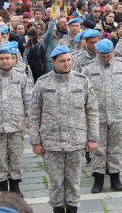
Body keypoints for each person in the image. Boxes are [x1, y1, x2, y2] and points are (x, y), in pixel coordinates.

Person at [29, 45, 99, 213]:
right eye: (62, 61)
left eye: (69, 60)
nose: (67, 64)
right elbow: (34, 114)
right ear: (53, 62)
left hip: (76, 140)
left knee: (74, 181)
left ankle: (73, 209)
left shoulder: (82, 81)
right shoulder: (43, 82)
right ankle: (58, 209)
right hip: (51, 143)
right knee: (55, 182)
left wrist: (93, 138)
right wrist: (35, 141)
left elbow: (92, 110)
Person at [81, 39, 122, 194]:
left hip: (118, 114)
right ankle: (98, 179)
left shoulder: (121, 67)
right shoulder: (88, 69)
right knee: (98, 149)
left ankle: (115, 177)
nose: (106, 58)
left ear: (113, 52)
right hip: (97, 116)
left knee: (115, 148)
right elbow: (84, 94)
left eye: (109, 55)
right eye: (103, 55)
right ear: (97, 53)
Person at [0, 42, 31, 197]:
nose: (5, 61)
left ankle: (15, 186)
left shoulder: (21, 76)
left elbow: (28, 99)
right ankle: (2, 187)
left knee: (15, 156)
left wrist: (29, 120)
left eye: (8, 58)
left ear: (13, 59)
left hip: (16, 124)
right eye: (1, 58)